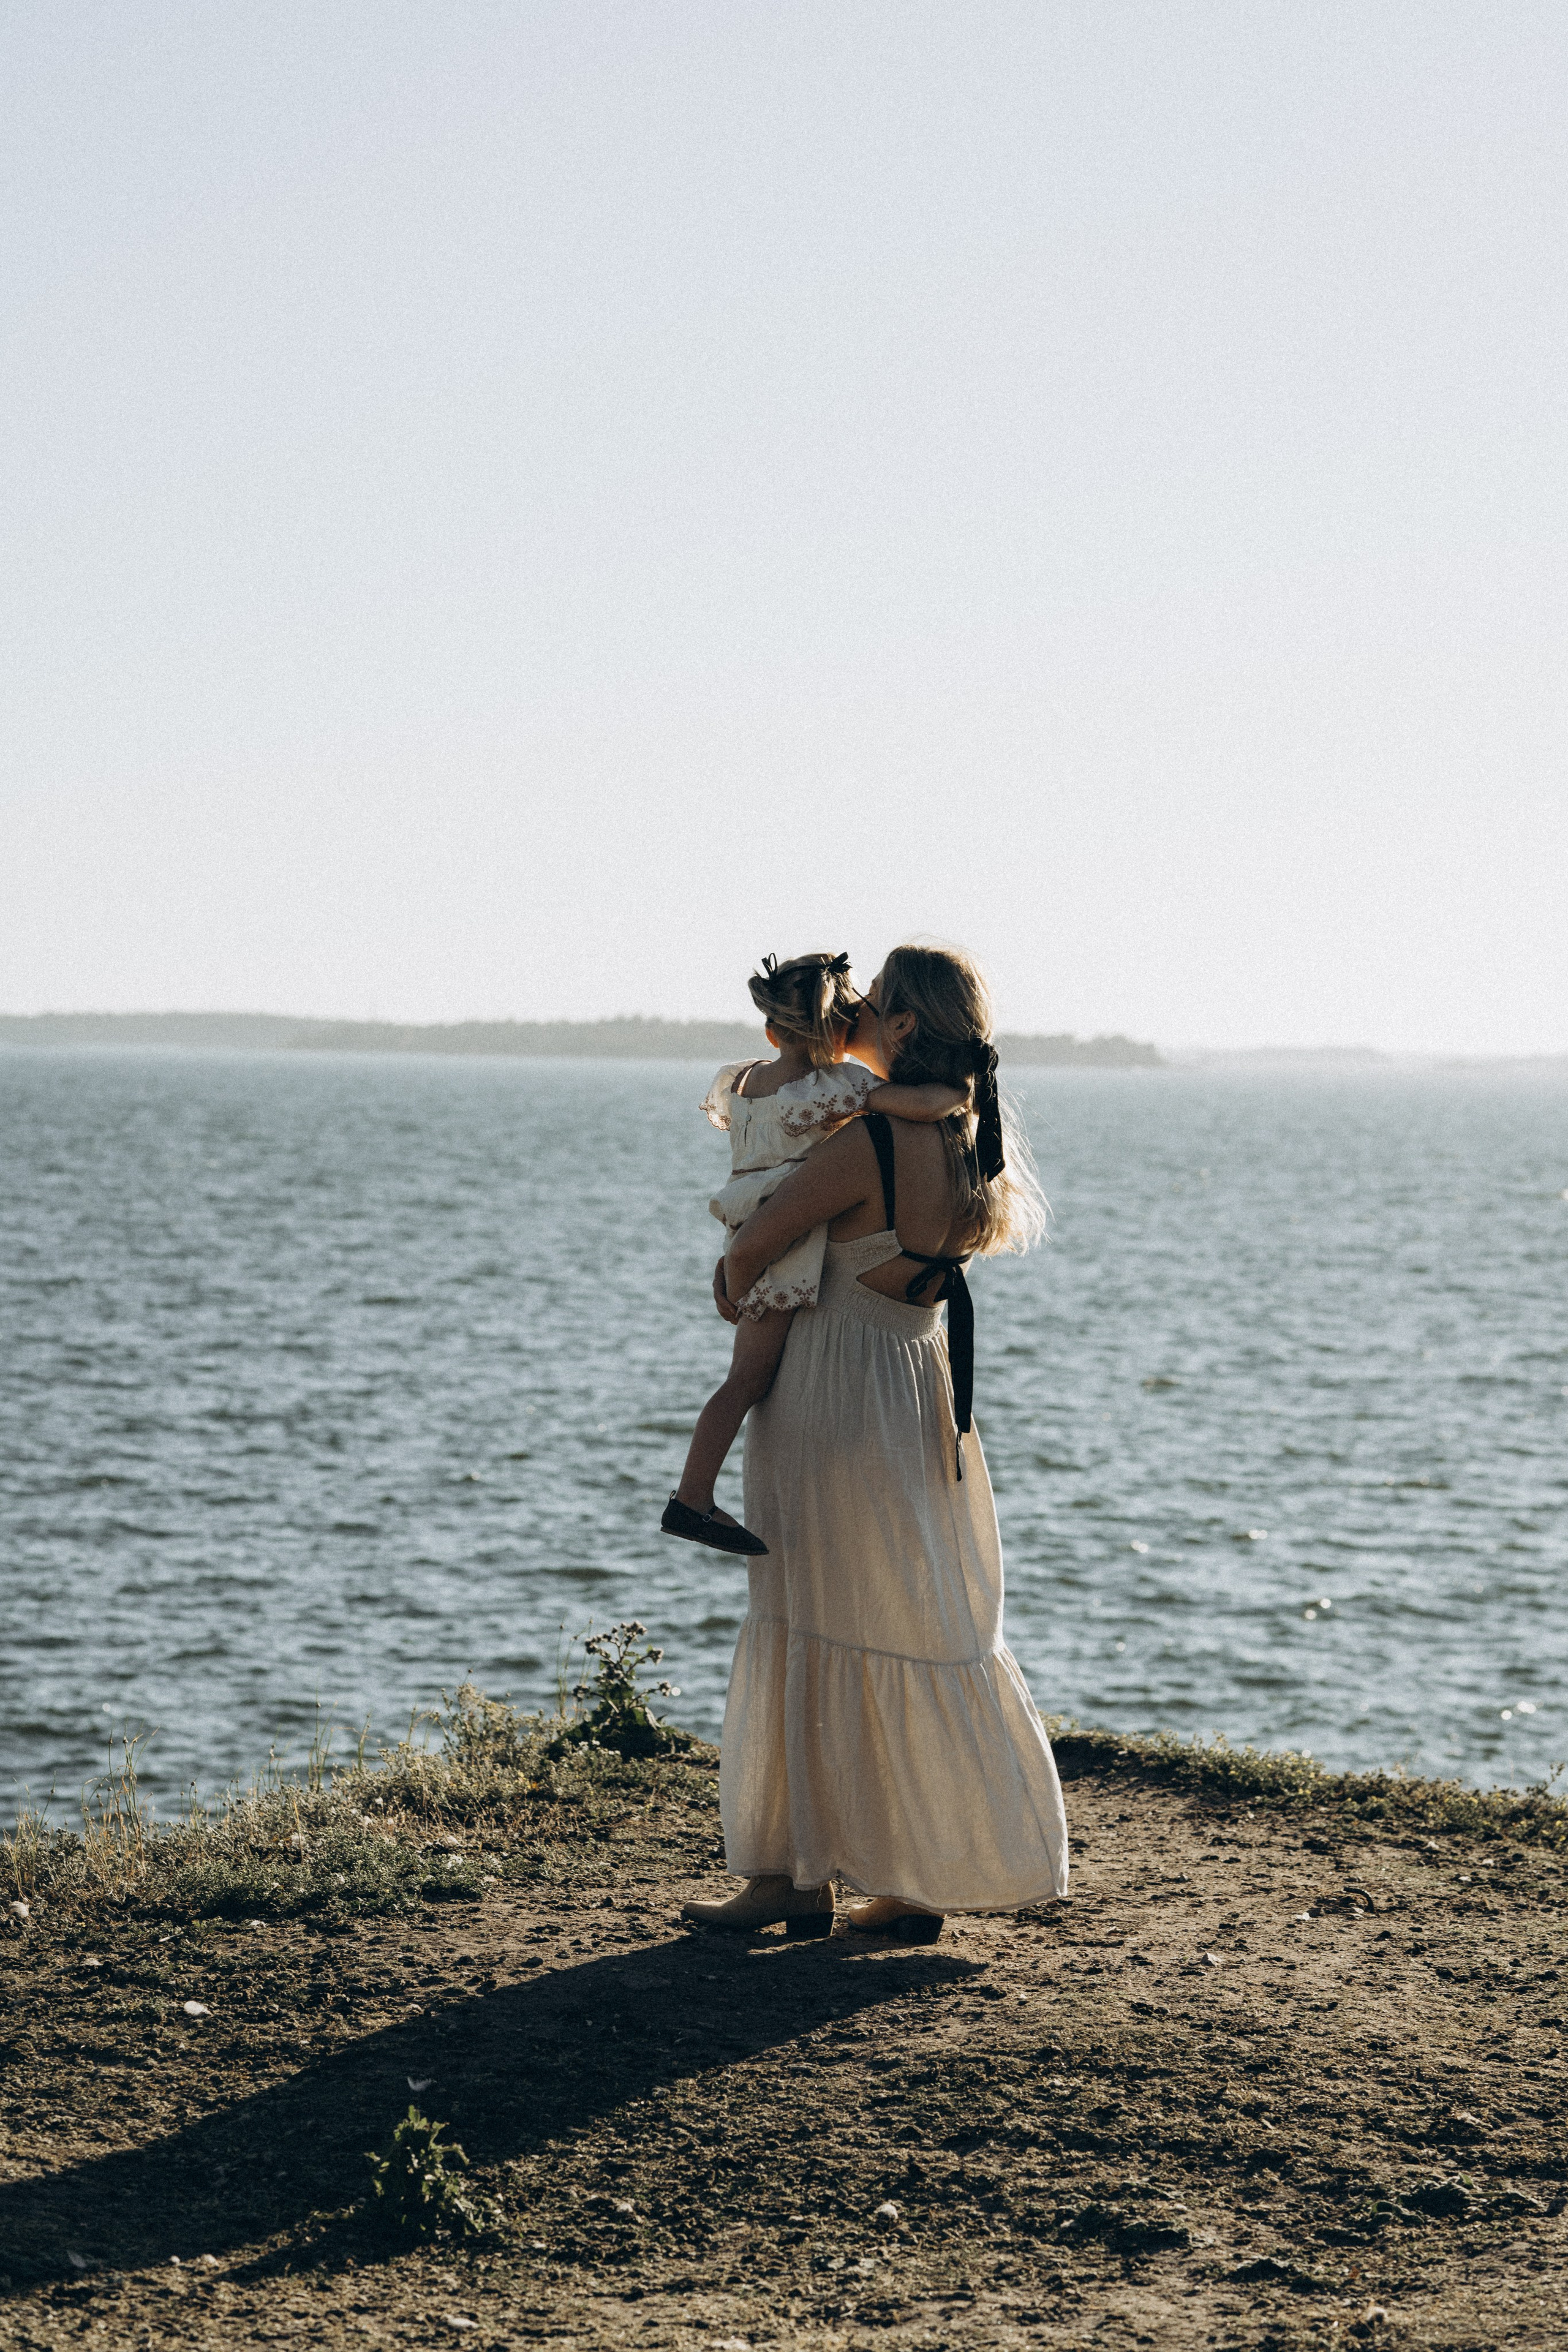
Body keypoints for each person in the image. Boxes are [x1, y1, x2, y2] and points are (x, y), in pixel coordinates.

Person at [680, 943, 1068, 1939]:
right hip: (913, 1388)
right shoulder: (961, 1136)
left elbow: (756, 1243)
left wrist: (731, 1282)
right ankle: (911, 1877)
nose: (851, 1014)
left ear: (903, 1024)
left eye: (873, 1004)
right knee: (902, 1619)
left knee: (803, 1611)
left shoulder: (867, 1144)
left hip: (830, 1392)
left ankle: (790, 1874)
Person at [662, 949, 966, 1558]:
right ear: (838, 1031)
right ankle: (691, 1501)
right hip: (785, 1238)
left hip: (745, 1219)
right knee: (749, 1379)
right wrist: (959, 1091)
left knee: (739, 1380)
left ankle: (693, 1494)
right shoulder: (837, 1087)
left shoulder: (744, 1080)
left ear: (772, 1030)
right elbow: (920, 1106)